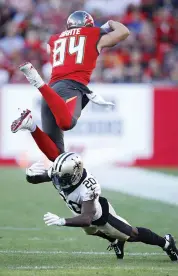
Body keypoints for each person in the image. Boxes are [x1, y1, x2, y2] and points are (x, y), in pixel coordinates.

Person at [11, 10, 130, 162]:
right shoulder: (93, 35)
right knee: (67, 123)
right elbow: (124, 32)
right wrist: (110, 23)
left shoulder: (54, 39)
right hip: (70, 87)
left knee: (56, 156)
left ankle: (31, 126)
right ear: (88, 25)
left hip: (51, 92)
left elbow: (53, 47)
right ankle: (38, 82)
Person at [26, 152, 178, 261]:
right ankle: (115, 241)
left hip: (100, 216)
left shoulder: (88, 188)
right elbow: (36, 178)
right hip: (80, 212)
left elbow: (87, 218)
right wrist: (29, 174)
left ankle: (165, 242)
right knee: (90, 232)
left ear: (75, 175)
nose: (58, 182)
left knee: (131, 234)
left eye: (62, 178)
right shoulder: (60, 172)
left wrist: (62, 221)